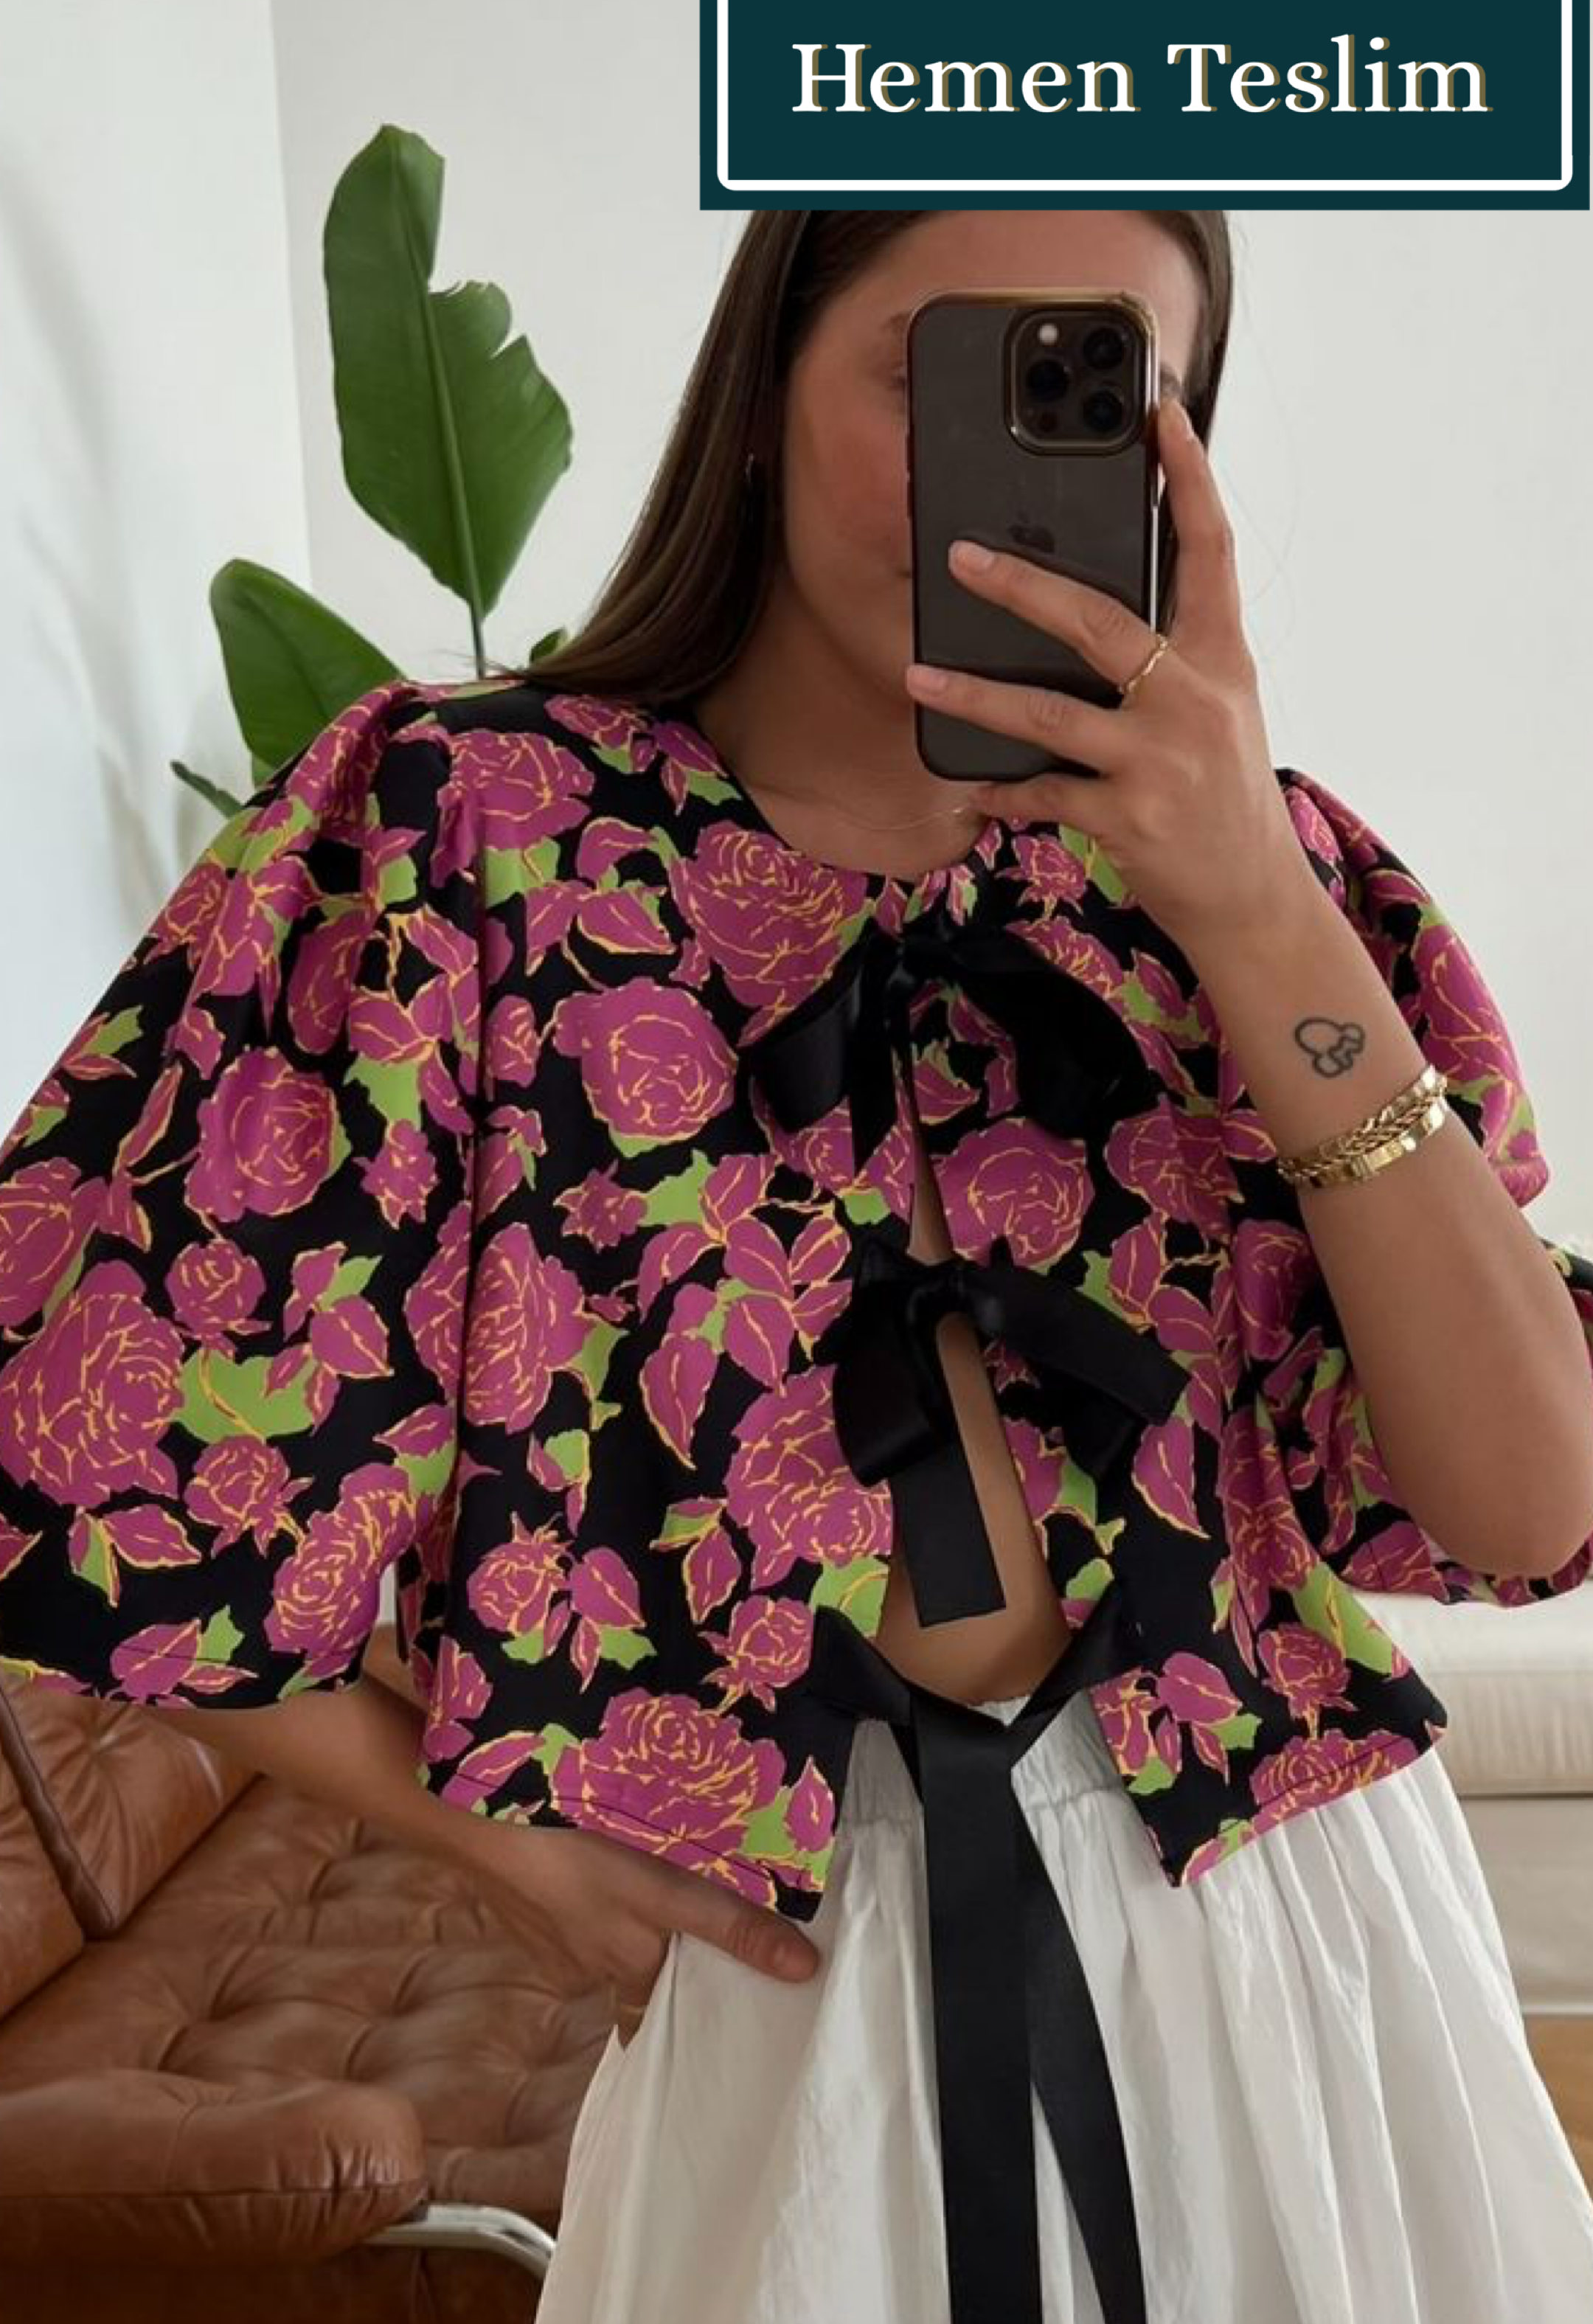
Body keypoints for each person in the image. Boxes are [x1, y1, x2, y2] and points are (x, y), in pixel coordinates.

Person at [3, 207, 1592, 2324]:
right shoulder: (462, 835)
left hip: (1301, 1938)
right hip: (794, 1992)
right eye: (940, 371)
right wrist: (484, 1836)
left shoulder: (1271, 875)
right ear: (763, 390)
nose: (1000, 470)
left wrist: (1252, 908)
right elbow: (79, 1417)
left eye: (1102, 389)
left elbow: (1528, 1503)